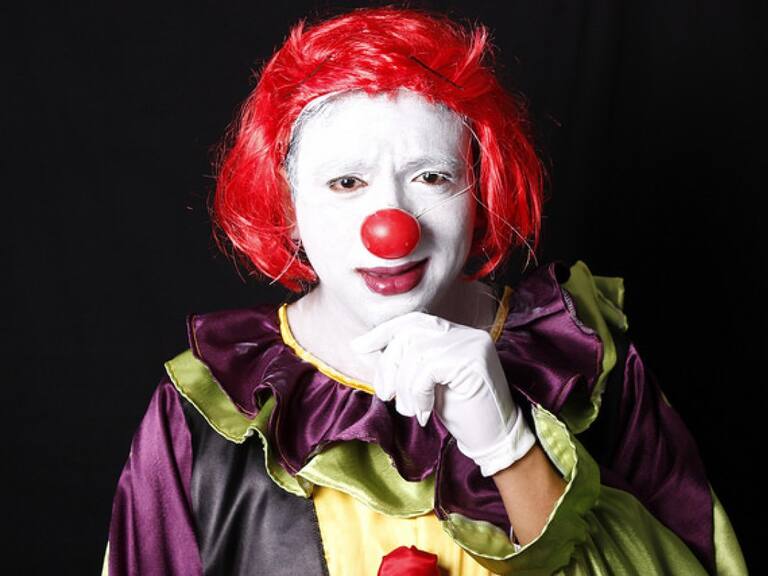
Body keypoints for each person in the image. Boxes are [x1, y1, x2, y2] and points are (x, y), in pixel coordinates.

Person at [102, 6, 747, 575]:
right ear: (286, 204)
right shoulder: (202, 412)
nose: (392, 228)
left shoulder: (587, 365)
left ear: (479, 190)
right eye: (346, 183)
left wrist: (509, 447)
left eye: (432, 176)